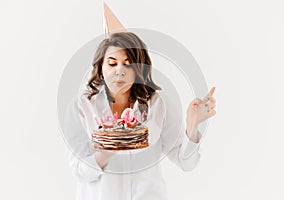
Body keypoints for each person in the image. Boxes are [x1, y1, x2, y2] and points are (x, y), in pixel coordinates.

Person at [63, 32, 216, 200]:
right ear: (100, 67)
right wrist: (109, 150)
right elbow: (80, 172)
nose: (119, 71)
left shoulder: (158, 104)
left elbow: (187, 163)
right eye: (112, 64)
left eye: (128, 64)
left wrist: (193, 125)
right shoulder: (82, 106)